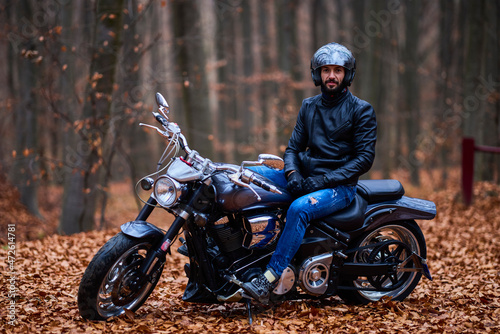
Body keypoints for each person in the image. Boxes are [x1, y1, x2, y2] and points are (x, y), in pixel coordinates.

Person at [242, 42, 377, 304]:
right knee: (248, 175)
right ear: (317, 74)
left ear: (347, 75)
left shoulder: (361, 110)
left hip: (340, 186)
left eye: (337, 70)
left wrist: (322, 180)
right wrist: (292, 174)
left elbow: (364, 159)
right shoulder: (309, 106)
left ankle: (269, 278)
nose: (331, 76)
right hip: (305, 175)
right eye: (326, 70)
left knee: (299, 209)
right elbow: (292, 148)